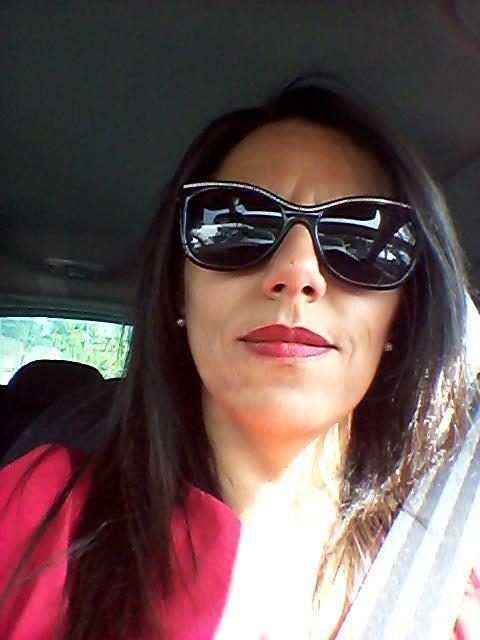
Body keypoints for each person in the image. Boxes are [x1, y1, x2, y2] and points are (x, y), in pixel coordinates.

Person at [0, 76, 478, 640]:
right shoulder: (43, 511)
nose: (296, 272)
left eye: (359, 241)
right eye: (235, 227)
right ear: (179, 292)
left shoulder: (454, 577)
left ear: (402, 313)